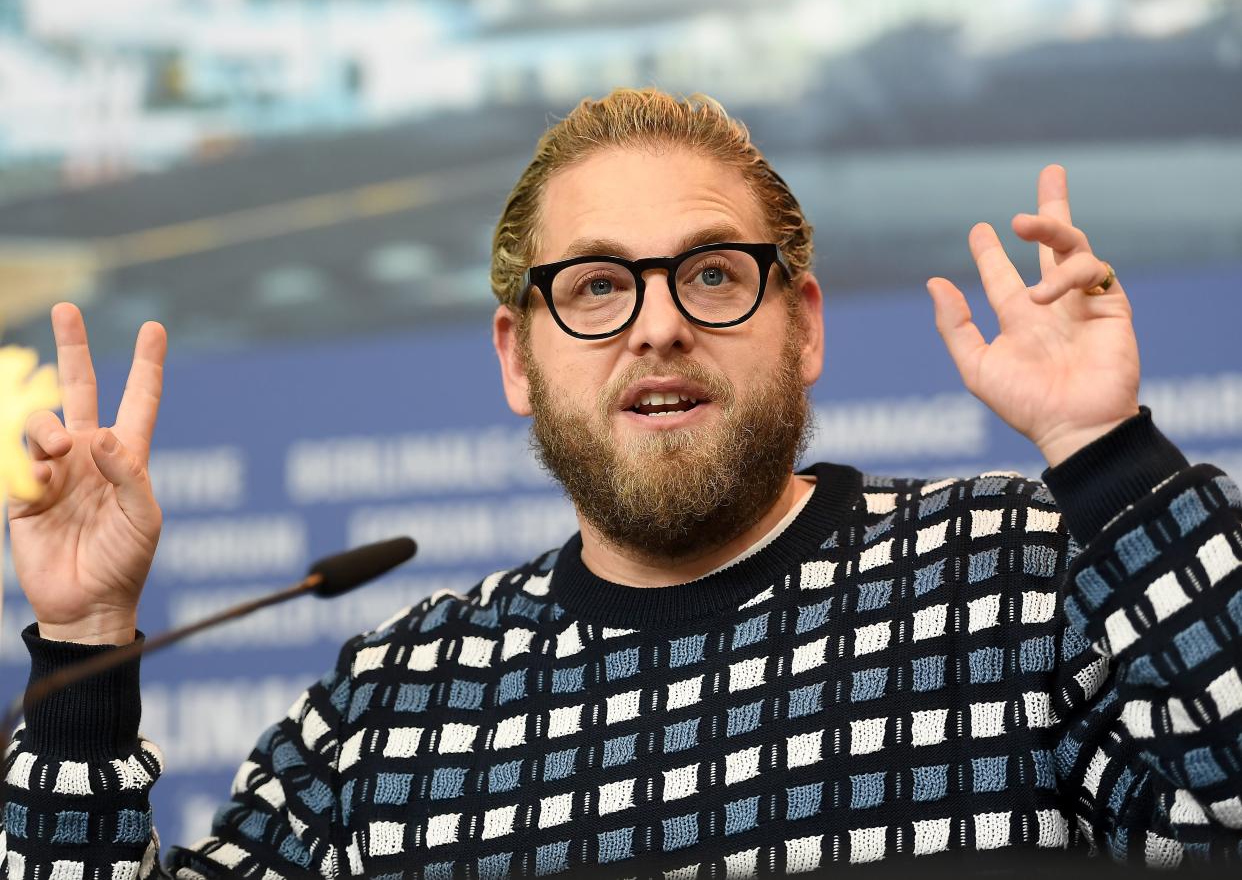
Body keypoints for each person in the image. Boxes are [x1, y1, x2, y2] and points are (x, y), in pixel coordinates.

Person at [4, 89, 1241, 878]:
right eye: (596, 286)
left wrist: (1111, 453)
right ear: (518, 358)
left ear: (803, 325)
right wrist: (80, 641)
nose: (656, 327)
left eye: (711, 273)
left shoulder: (1025, 574)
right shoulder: (397, 706)